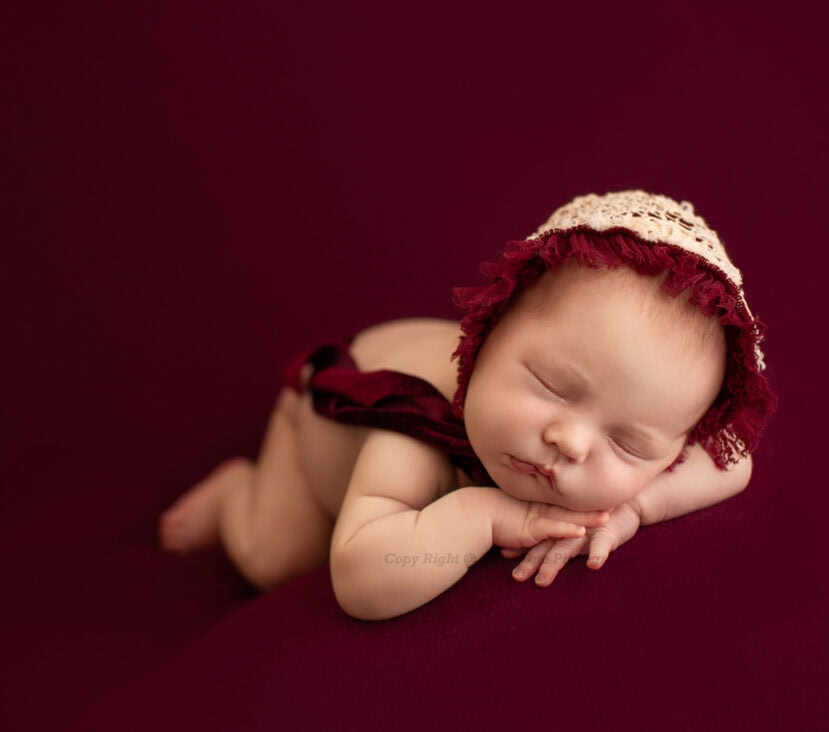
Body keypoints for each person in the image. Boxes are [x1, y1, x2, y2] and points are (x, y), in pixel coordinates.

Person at [159, 190, 777, 620]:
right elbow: (360, 576)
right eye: (553, 387)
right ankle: (239, 494)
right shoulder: (417, 425)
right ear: (486, 329)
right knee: (278, 559)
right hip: (321, 421)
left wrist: (634, 507)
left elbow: (734, 459)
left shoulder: (637, 399)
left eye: (630, 444)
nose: (573, 442)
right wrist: (484, 518)